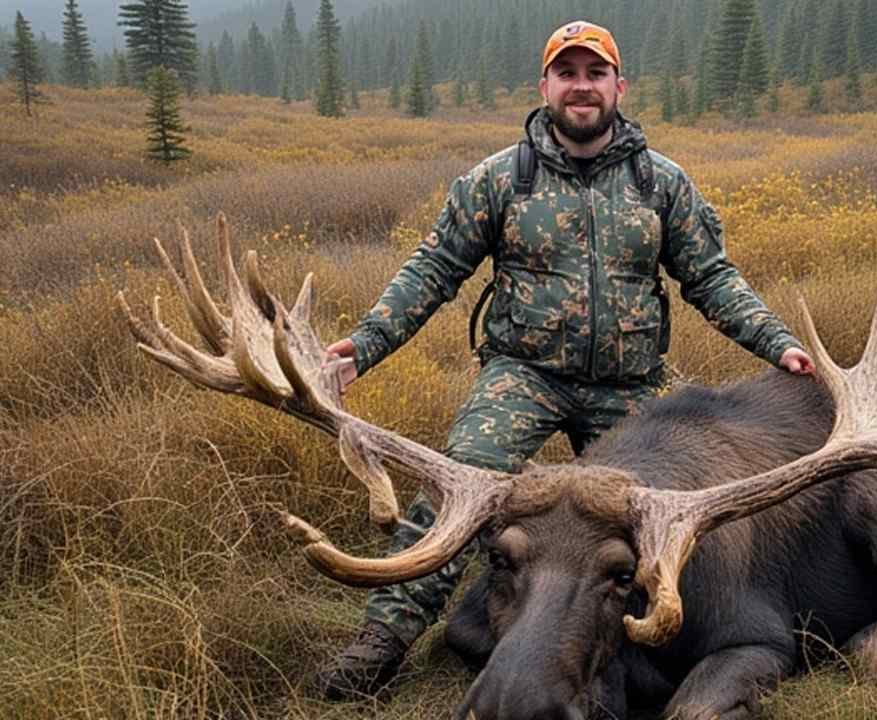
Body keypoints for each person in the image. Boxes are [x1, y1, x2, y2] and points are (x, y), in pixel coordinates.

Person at [317, 20, 815, 700]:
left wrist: (777, 343)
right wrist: (364, 344)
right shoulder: (499, 179)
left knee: (658, 527)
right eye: (568, 73)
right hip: (524, 375)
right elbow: (433, 271)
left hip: (629, 387)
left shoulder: (660, 183)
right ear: (545, 85)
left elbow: (713, 279)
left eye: (595, 73)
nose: (582, 87)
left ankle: (652, 652)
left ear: (618, 86)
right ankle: (383, 639)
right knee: (460, 485)